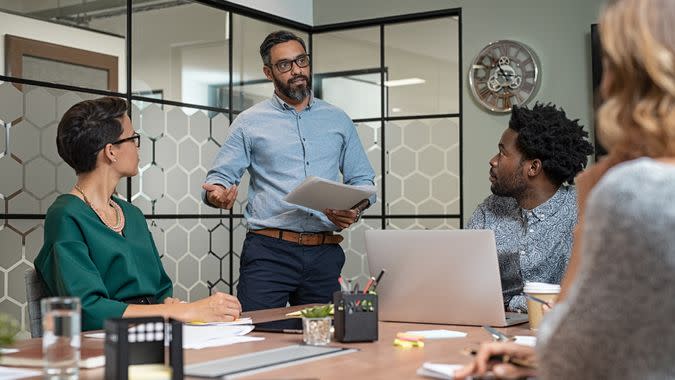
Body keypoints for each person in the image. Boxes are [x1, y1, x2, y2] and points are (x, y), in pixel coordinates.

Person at [456, 0, 675, 378]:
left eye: (611, 66)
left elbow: (575, 341)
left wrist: (590, 212)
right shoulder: (489, 211)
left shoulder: (633, 191)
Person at [202, 30, 376, 312]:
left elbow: (363, 181)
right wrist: (217, 195)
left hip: (325, 252)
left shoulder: (338, 119)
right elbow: (219, 180)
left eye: (301, 61)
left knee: (327, 341)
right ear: (268, 72)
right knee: (255, 336)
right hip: (269, 252)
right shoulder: (249, 123)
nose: (297, 70)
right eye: (285, 65)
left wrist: (355, 209)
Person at [35, 97, 241, 331]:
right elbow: (87, 309)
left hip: (154, 333)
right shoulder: (65, 215)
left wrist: (180, 307)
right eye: (133, 138)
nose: (138, 146)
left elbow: (161, 290)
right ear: (111, 151)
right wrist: (181, 310)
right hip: (104, 341)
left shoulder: (131, 215)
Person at [467, 103, 593, 311]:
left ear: (533, 167)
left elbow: (582, 298)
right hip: (491, 332)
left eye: (502, 153)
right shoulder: (490, 210)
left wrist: (510, 302)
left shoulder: (582, 212)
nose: (493, 161)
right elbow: (463, 281)